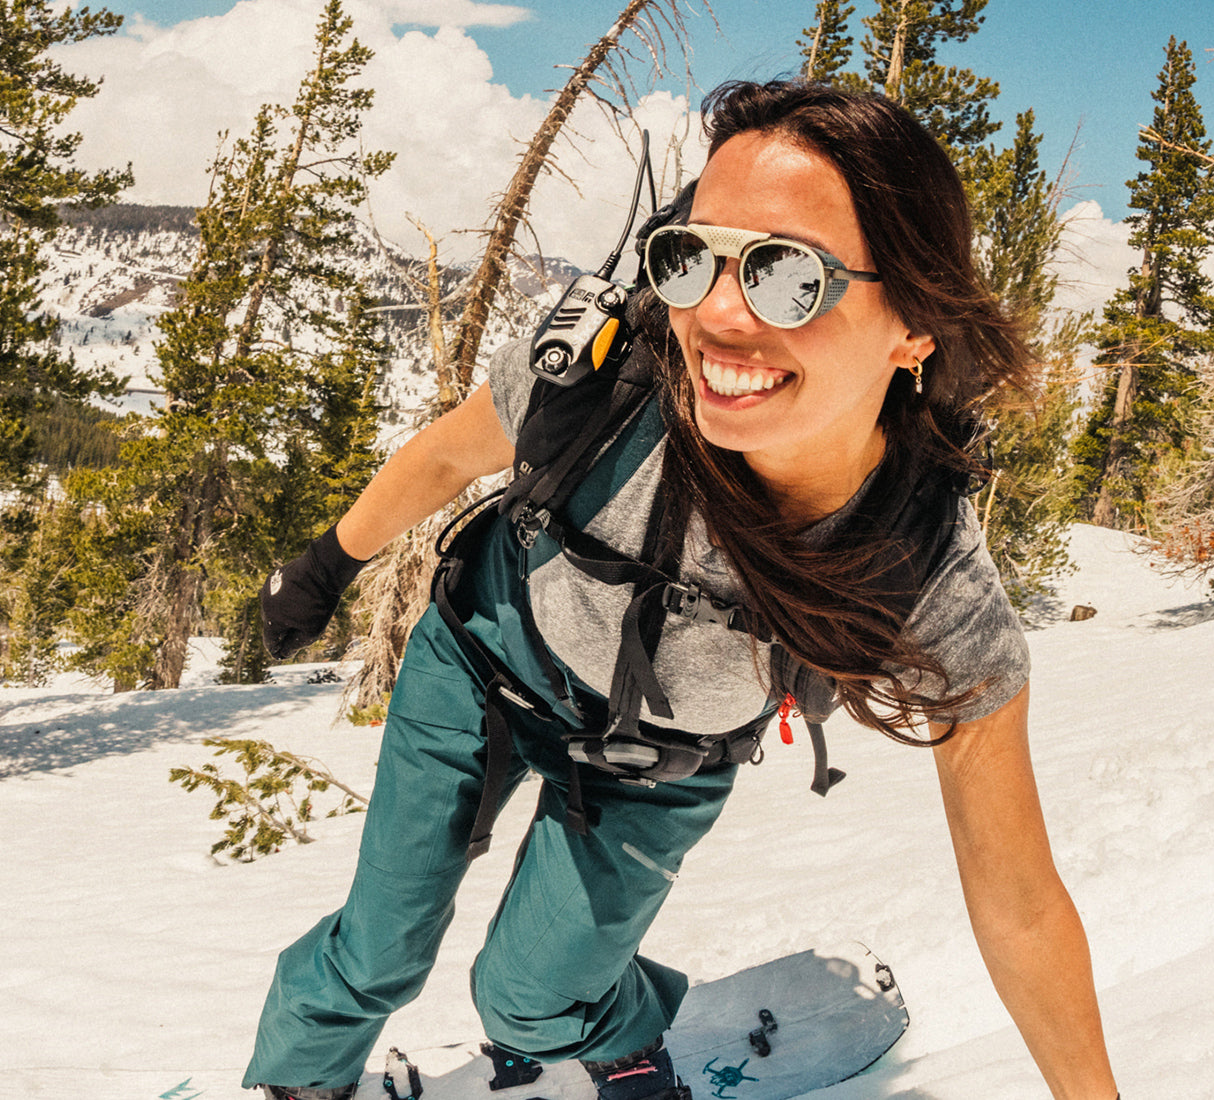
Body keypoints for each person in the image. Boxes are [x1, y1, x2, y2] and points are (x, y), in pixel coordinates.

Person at [245, 80, 1119, 1100]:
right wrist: (323, 567)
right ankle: (299, 1081)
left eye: (790, 274)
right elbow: (448, 457)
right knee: (377, 946)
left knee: (526, 1000)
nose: (715, 313)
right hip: (482, 659)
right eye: (692, 258)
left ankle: (618, 1029)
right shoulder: (604, 378)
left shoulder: (918, 567)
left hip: (654, 759)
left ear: (914, 326)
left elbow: (1016, 905)